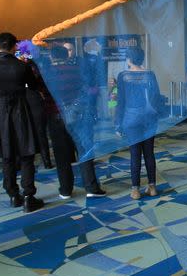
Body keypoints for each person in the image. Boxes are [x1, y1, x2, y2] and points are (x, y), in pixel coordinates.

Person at [0, 33, 43, 212]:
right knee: (27, 153)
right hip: (21, 110)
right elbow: (33, 86)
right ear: (15, 47)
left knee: (7, 155)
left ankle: (12, 195)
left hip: (1, 110)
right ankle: (28, 196)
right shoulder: (22, 66)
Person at [45, 46, 106, 199]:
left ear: (52, 57)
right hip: (80, 117)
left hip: (57, 118)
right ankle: (91, 187)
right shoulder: (76, 71)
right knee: (85, 151)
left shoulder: (46, 74)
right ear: (67, 56)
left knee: (61, 156)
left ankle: (65, 190)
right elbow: (88, 89)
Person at [116, 47, 161, 200]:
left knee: (135, 154)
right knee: (149, 153)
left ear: (129, 59)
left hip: (131, 119)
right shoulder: (150, 74)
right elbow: (156, 97)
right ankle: (152, 187)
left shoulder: (123, 76)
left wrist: (118, 124)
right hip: (149, 118)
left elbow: (120, 102)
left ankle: (135, 190)